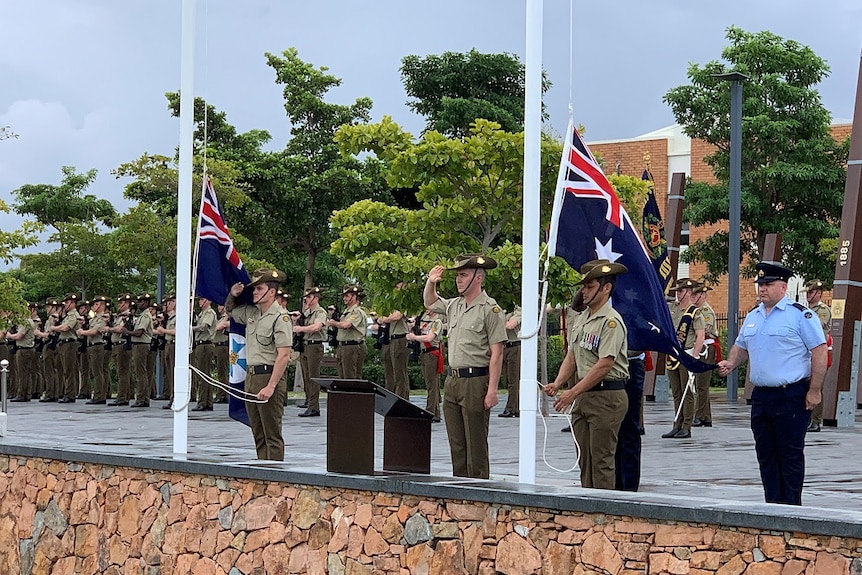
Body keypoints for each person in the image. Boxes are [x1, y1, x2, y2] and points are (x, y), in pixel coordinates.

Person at [717, 262, 826, 506]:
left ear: (783, 287)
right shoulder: (754, 316)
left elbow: (819, 352)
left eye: (768, 284)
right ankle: (772, 506)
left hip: (791, 394)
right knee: (766, 454)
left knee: (789, 454)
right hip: (762, 396)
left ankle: (791, 509)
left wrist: (815, 390)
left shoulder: (800, 315)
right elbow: (741, 345)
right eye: (760, 285)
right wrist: (731, 362)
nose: (762, 289)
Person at [544, 259, 629, 490]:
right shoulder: (583, 319)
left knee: (601, 460)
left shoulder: (610, 321)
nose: (584, 291)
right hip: (585, 396)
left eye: (590, 286)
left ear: (606, 288)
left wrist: (572, 392)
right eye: (584, 286)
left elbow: (605, 364)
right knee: (585, 459)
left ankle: (603, 514)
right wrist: (558, 383)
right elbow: (573, 355)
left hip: (606, 396)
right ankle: (587, 508)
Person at [424, 254, 506, 479]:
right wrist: (431, 281)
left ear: (478, 278)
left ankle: (479, 490)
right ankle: (460, 490)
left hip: (476, 380)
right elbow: (430, 302)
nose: (458, 280)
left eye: (463, 275)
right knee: (457, 444)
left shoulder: (490, 309)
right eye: (458, 275)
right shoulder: (455, 305)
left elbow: (497, 352)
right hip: (453, 380)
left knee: (476, 445)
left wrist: (492, 390)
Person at [226, 268, 293, 461]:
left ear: (271, 292)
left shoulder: (281, 318)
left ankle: (275, 479)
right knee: (258, 433)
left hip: (268, 376)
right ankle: (263, 472)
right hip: (252, 376)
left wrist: (271, 386)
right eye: (254, 288)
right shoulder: (252, 314)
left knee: (271, 434)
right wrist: (233, 294)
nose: (254, 292)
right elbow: (230, 310)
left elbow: (284, 355)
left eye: (259, 288)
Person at [661, 278, 705, 439]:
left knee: (687, 392)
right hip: (673, 354)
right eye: (677, 291)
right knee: (677, 391)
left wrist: (694, 357)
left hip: (686, 354)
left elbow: (700, 336)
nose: (678, 294)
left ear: (688, 292)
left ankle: (686, 425)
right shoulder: (672, 308)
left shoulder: (695, 312)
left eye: (680, 291)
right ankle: (677, 424)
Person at [293, 286, 327, 417]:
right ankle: (309, 401)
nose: (306, 300)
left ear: (315, 298)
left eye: (308, 297)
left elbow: (316, 327)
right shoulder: (307, 313)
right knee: (306, 376)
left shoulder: (320, 312)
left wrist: (300, 328)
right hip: (305, 346)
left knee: (313, 377)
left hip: (314, 346)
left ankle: (314, 407)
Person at [406, 309, 444, 422]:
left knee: (432, 385)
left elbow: (429, 338)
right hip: (425, 354)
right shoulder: (425, 322)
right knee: (432, 384)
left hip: (432, 353)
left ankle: (430, 411)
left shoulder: (437, 322)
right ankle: (435, 411)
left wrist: (414, 337)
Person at [804, 279, 832, 433]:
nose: (808, 295)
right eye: (807, 292)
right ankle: (807, 419)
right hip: (807, 352)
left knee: (816, 386)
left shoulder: (822, 310)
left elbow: (817, 325)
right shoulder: (805, 310)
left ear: (819, 293)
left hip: (820, 352)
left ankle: (816, 421)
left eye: (811, 292)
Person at [326, 285, 368, 379]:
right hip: (343, 346)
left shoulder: (356, 312)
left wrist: (334, 323)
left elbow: (346, 325)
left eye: (347, 296)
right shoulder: (347, 312)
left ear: (355, 297)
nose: (344, 298)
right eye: (344, 296)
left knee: (351, 377)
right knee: (343, 377)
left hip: (352, 346)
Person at [76, 295, 111, 404]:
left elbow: (95, 331)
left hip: (97, 345)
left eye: (96, 304)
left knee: (98, 372)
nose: (93, 306)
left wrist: (82, 332)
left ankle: (99, 395)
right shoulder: (95, 318)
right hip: (91, 345)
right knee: (94, 371)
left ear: (102, 305)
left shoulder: (102, 317)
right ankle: (98, 394)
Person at [692, 282, 718, 428]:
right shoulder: (696, 311)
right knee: (700, 383)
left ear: (703, 295)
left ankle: (700, 415)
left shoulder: (705, 311)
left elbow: (704, 330)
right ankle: (706, 416)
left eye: (695, 294)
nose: (693, 297)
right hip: (701, 347)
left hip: (706, 348)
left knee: (701, 384)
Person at [48, 293, 82, 404]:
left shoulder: (73, 315)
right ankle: (67, 393)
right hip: (64, 344)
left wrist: (54, 327)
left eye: (67, 303)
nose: (65, 305)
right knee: (65, 370)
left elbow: (66, 327)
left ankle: (70, 394)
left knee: (69, 370)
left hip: (69, 344)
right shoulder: (68, 315)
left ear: (73, 303)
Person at [126, 293, 154, 408]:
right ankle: (143, 398)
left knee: (141, 373)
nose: (139, 304)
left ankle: (142, 398)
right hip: (138, 345)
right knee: (141, 372)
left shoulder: (146, 316)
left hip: (141, 345)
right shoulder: (142, 315)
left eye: (141, 302)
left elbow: (139, 332)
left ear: (146, 303)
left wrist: (126, 332)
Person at [8, 302, 38, 402]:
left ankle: (21, 394)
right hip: (26, 349)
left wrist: (9, 336)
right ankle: (26, 394)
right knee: (26, 373)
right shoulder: (27, 321)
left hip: (24, 349)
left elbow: (19, 336)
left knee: (22, 373)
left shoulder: (26, 322)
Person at [191, 297, 217, 411]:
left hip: (205, 344)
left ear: (208, 301)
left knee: (203, 374)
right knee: (204, 373)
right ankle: (207, 401)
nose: (200, 302)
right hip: (201, 345)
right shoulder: (202, 314)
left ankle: (203, 401)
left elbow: (204, 327)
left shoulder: (209, 313)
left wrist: (190, 329)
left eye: (202, 300)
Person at [499, 306, 522, 418]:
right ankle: (516, 407)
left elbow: (511, 325)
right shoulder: (501, 306)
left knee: (514, 379)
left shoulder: (518, 308)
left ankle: (511, 408)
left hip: (515, 345)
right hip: (505, 346)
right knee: (508, 379)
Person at [155, 294, 177, 409]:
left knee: (174, 373)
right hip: (168, 344)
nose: (165, 306)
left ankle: (175, 398)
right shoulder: (169, 317)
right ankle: (172, 397)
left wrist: (164, 330)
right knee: (169, 373)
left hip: (174, 344)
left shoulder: (178, 315)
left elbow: (177, 331)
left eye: (168, 303)